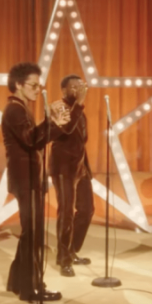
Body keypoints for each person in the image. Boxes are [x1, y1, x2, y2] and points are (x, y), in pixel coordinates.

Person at [3, 62, 70, 302]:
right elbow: (31, 140)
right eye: (33, 85)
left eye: (38, 85)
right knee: (32, 234)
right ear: (18, 85)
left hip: (29, 178)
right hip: (26, 179)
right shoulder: (15, 109)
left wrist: (55, 124)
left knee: (30, 233)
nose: (38, 89)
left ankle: (18, 282)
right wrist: (52, 122)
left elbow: (35, 140)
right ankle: (31, 288)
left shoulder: (20, 108)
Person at [49, 75, 93, 277]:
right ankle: (63, 258)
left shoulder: (78, 109)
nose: (78, 90)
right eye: (73, 87)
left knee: (87, 209)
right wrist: (80, 104)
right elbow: (66, 130)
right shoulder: (57, 107)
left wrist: (86, 167)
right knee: (66, 212)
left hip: (80, 167)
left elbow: (81, 140)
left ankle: (72, 250)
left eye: (80, 86)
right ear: (64, 90)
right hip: (63, 168)